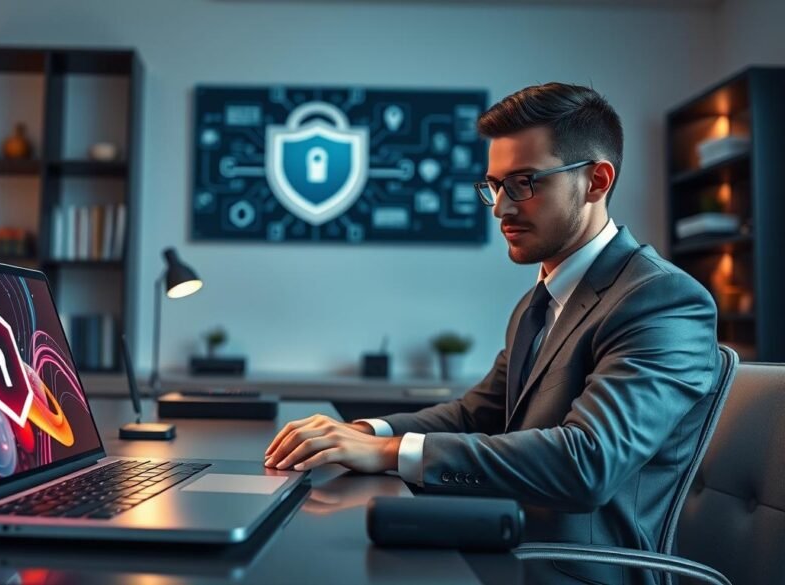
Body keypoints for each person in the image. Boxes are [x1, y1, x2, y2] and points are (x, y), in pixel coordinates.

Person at [264, 82, 720, 584]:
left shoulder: (663, 301)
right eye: (494, 186)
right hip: (503, 545)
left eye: (524, 183)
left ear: (596, 181)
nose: (501, 209)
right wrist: (367, 432)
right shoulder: (537, 302)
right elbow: (472, 414)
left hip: (573, 572)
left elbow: (587, 462)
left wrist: (389, 454)